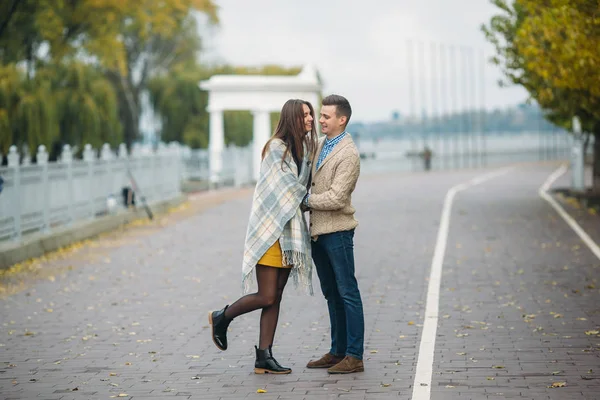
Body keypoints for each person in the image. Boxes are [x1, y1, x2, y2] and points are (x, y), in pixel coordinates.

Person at [208, 99, 317, 375]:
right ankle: (222, 317)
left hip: (291, 234)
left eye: (312, 115)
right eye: (305, 115)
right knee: (267, 295)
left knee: (276, 296)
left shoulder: (302, 149)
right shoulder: (275, 148)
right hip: (271, 231)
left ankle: (263, 356)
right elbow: (284, 188)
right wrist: (314, 199)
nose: (311, 120)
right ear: (293, 117)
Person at [303, 94, 365, 374]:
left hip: (338, 232)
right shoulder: (320, 146)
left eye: (326, 116)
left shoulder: (348, 154)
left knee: (347, 292)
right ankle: (337, 351)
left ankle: (354, 355)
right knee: (331, 294)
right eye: (320, 115)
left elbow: (337, 198)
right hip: (318, 233)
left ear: (342, 119)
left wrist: (304, 201)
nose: (321, 120)